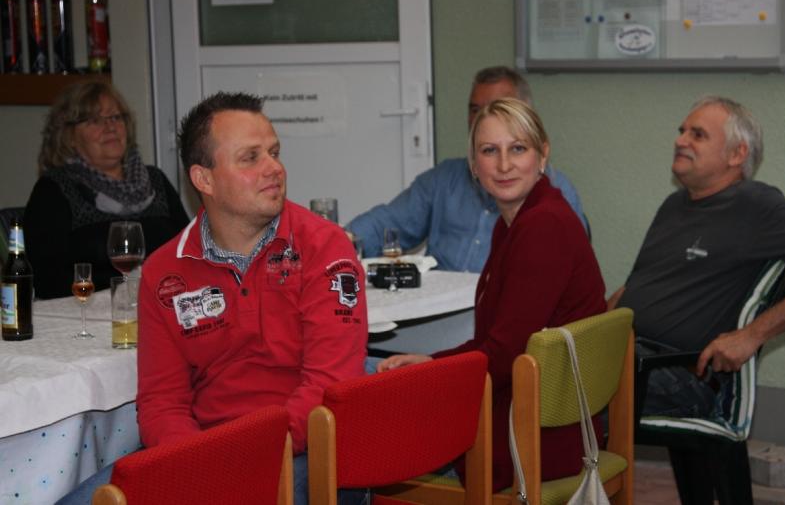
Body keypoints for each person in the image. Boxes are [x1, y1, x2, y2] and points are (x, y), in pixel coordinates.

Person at [56, 92, 368, 505]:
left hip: (304, 449)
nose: (274, 168)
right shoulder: (165, 272)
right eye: (250, 157)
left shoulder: (324, 246)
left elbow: (329, 386)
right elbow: (162, 402)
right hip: (202, 449)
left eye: (274, 152)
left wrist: (242, 457)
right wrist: (199, 461)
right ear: (204, 180)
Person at [377, 97, 606, 492]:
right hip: (534, 416)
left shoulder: (543, 227)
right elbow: (499, 343)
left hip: (531, 439)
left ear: (542, 154)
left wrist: (432, 371)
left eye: (517, 148)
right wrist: (431, 360)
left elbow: (503, 355)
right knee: (381, 397)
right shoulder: (517, 221)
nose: (503, 165)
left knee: (366, 423)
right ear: (473, 163)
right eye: (489, 151)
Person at [607, 96, 785, 504]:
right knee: (530, 370)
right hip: (628, 357)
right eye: (682, 131)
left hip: (682, 374)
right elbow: (640, 288)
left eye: (697, 134)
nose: (681, 140)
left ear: (737, 154)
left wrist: (751, 335)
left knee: (549, 396)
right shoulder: (673, 204)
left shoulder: (758, 206)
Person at [347, 66, 587, 272]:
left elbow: (566, 274)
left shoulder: (556, 193)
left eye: (496, 108)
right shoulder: (442, 180)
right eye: (475, 110)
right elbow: (384, 225)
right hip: (440, 307)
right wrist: (337, 241)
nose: (483, 117)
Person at [24, 81, 188, 299]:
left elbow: (189, 251)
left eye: (115, 117)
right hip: (88, 308)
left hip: (164, 302)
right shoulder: (54, 189)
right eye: (94, 120)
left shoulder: (155, 180)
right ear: (69, 136)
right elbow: (47, 278)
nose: (110, 127)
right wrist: (123, 288)